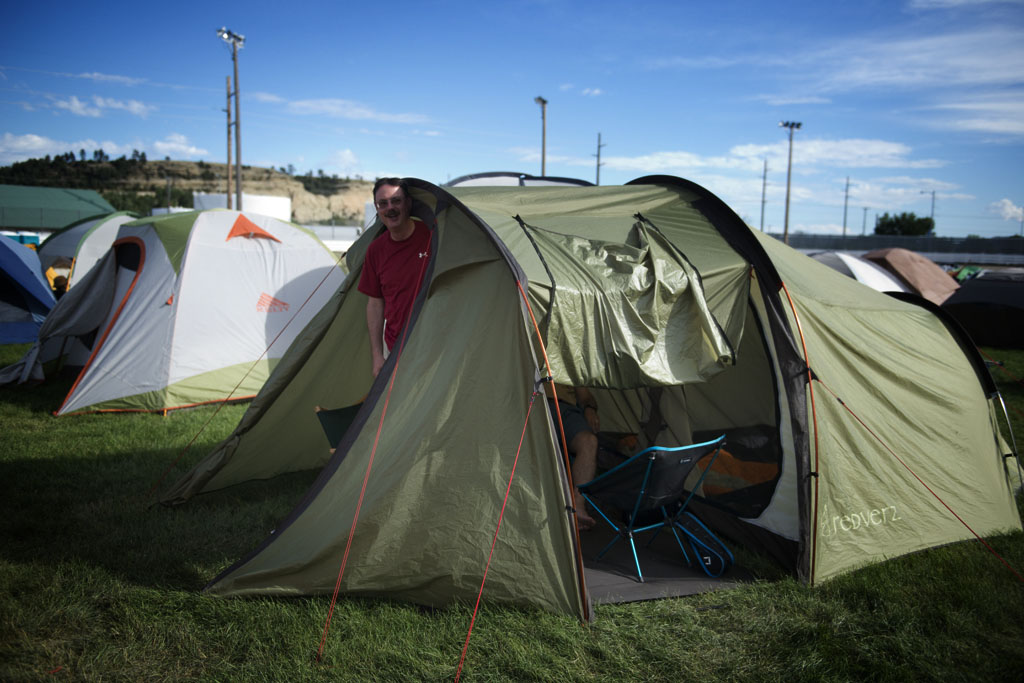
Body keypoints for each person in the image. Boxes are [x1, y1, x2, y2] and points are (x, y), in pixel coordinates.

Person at [358, 178, 432, 376]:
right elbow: (374, 304)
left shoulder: (432, 237)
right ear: (377, 208)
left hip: (434, 345)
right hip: (396, 348)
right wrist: (377, 355)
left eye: (396, 201)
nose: (390, 208)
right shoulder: (375, 250)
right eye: (383, 203)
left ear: (408, 203)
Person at [546, 383, 600, 531]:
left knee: (589, 442)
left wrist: (590, 408)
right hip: (534, 402)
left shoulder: (570, 360)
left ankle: (577, 506)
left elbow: (585, 396)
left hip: (565, 408)